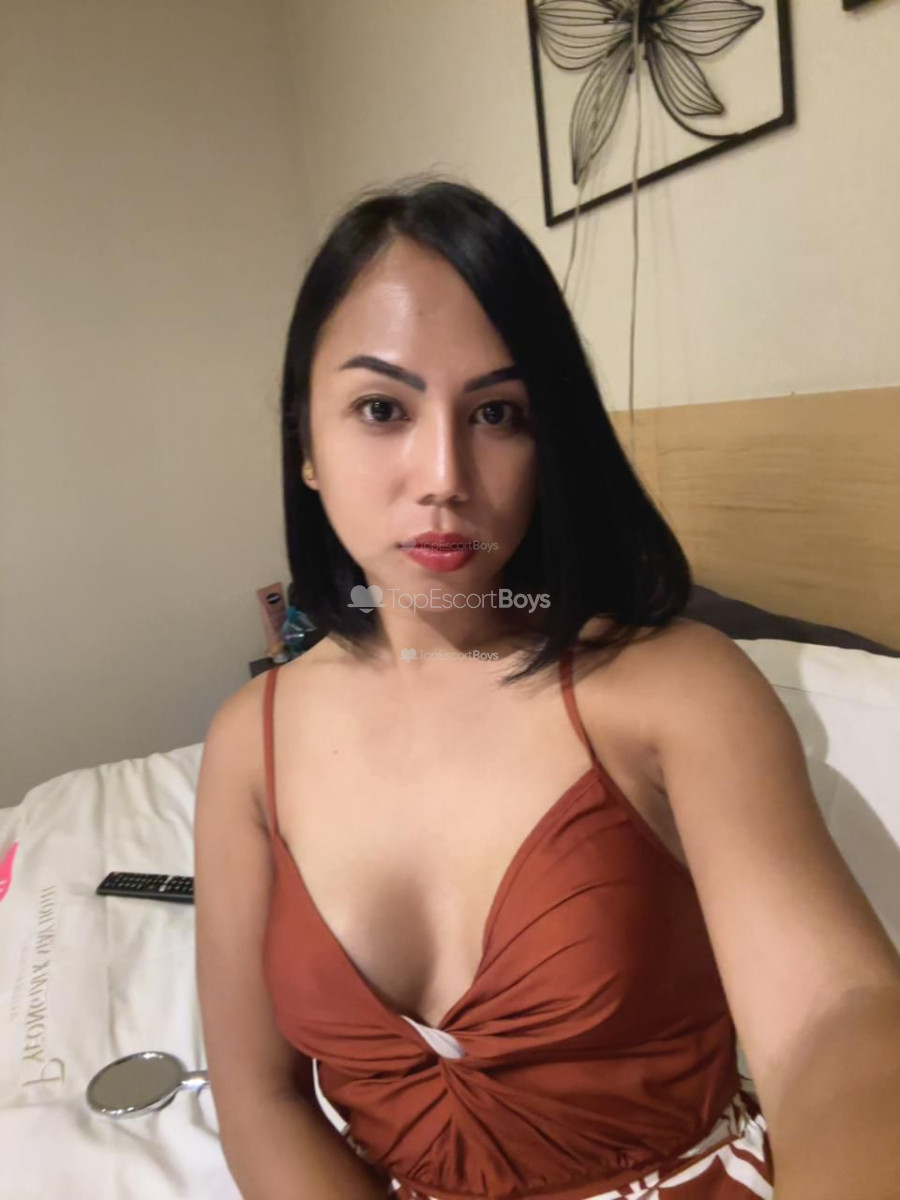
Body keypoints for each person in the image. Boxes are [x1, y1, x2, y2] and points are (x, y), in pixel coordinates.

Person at [194, 176, 900, 1200]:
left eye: (498, 412)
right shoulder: (246, 743)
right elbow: (260, 1097)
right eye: (382, 408)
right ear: (307, 443)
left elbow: (837, 1019)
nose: (444, 474)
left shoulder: (677, 690)